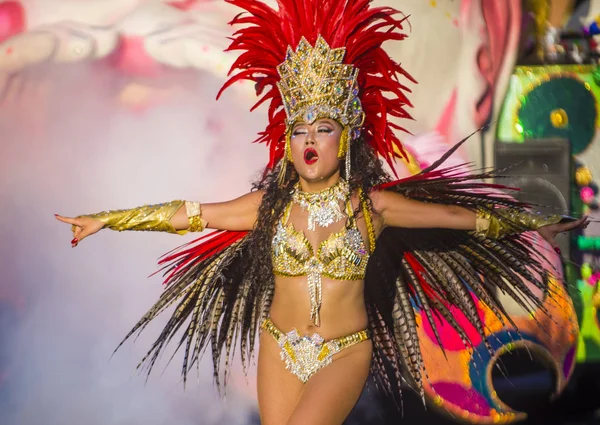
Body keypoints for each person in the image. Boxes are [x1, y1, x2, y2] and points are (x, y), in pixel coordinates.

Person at [55, 1, 589, 424]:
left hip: (343, 351)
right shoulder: (270, 207)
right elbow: (191, 214)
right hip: (278, 346)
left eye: (324, 128)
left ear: (346, 140)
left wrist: (540, 223)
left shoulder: (373, 208)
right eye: (300, 130)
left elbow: (463, 220)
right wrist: (106, 219)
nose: (309, 139)